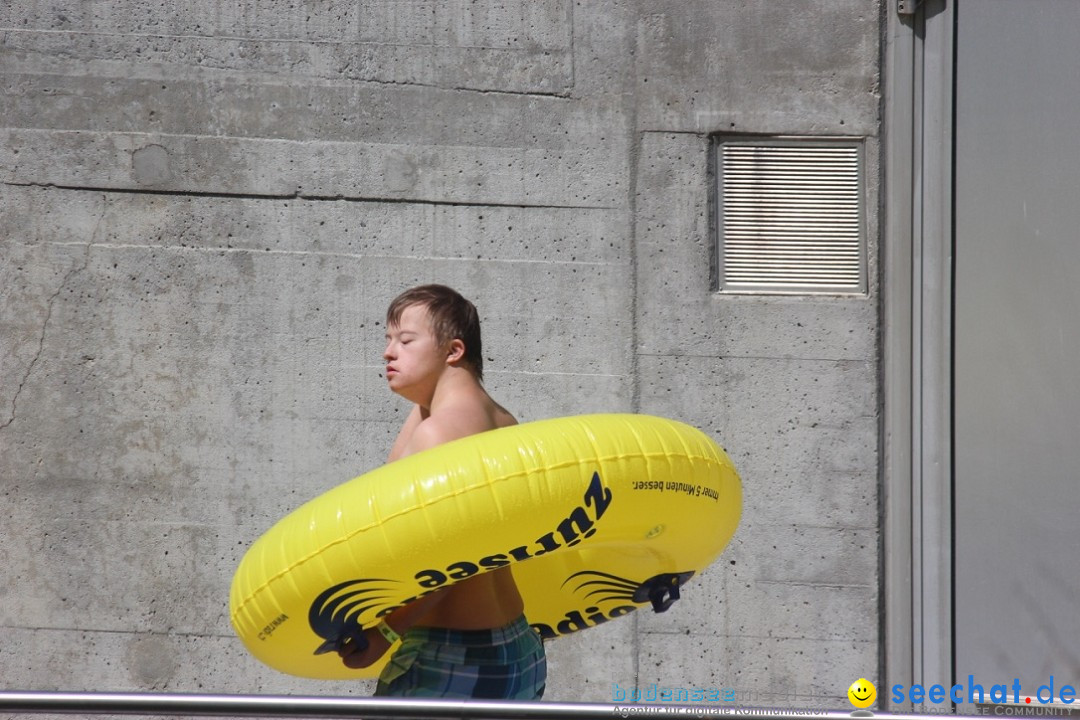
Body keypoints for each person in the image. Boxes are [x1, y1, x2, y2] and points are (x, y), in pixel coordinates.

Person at [336, 284, 547, 699]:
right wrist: (426, 393)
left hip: (450, 655)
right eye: (388, 339)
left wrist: (385, 631)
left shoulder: (438, 434)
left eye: (406, 340)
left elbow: (455, 558)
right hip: (517, 644)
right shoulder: (502, 420)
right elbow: (391, 479)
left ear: (452, 351)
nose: (388, 352)